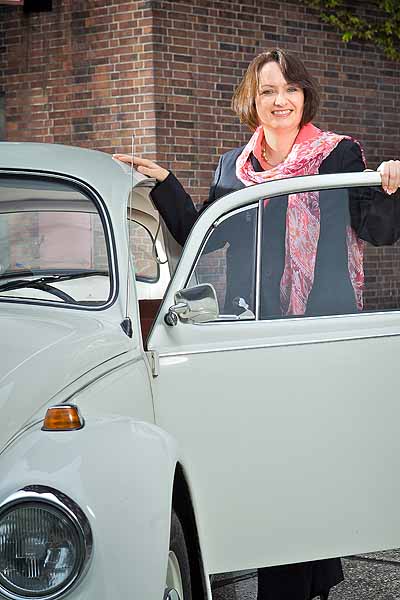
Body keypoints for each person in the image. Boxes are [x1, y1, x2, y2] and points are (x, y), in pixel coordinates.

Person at [114, 48, 400, 599]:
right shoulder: (233, 167)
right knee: (272, 458)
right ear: (253, 99)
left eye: (290, 89)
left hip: (320, 331)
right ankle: (309, 579)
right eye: (268, 90)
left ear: (305, 96)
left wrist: (390, 186)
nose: (280, 100)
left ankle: (295, 583)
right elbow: (205, 234)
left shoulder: (339, 154)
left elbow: (380, 231)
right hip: (252, 332)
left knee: (309, 454)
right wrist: (166, 182)